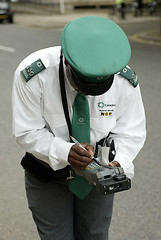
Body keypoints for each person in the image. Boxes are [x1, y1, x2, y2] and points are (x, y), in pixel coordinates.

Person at [12, 16, 146, 240]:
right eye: (82, 85)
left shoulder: (124, 79)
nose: (87, 93)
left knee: (95, 235)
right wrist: (65, 152)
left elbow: (130, 132)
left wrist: (117, 163)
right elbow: (27, 132)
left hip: (100, 175)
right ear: (67, 63)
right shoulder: (34, 75)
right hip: (47, 174)